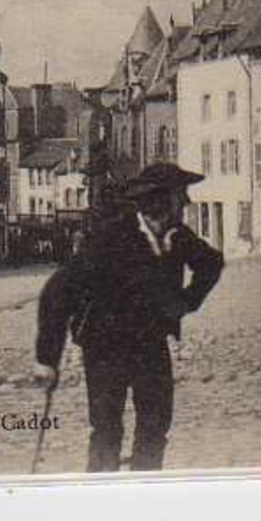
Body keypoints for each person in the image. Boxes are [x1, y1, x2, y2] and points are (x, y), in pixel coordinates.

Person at [33, 163, 224, 473]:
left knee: (156, 424)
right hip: (105, 348)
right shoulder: (110, 238)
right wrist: (47, 359)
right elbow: (58, 292)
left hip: (150, 344)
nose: (187, 202)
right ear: (160, 202)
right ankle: (102, 495)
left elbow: (212, 263)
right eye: (180, 195)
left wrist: (186, 302)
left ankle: (144, 488)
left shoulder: (176, 236)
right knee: (107, 430)